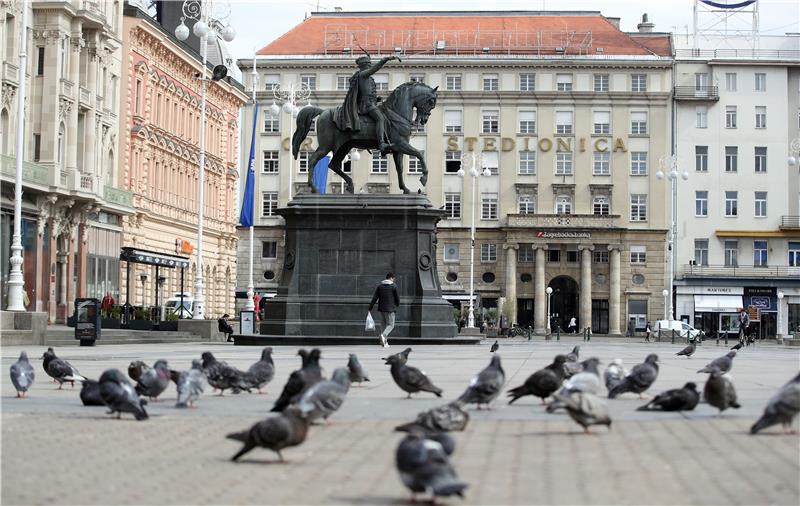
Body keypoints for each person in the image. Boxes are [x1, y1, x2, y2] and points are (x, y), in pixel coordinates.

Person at [335, 52, 401, 155]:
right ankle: (382, 143)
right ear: (365, 65)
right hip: (366, 105)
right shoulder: (363, 75)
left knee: (387, 115)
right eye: (369, 64)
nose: (370, 66)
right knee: (380, 118)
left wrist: (376, 99)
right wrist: (385, 59)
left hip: (371, 103)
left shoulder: (368, 78)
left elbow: (367, 92)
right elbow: (375, 69)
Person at [368, 272, 400, 348]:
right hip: (390, 309)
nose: (394, 280)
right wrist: (397, 304)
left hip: (381, 309)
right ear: (391, 278)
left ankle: (384, 343)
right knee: (391, 325)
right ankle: (383, 335)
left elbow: (375, 297)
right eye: (393, 278)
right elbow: (397, 298)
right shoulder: (394, 286)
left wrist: (370, 307)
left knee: (383, 325)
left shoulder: (380, 286)